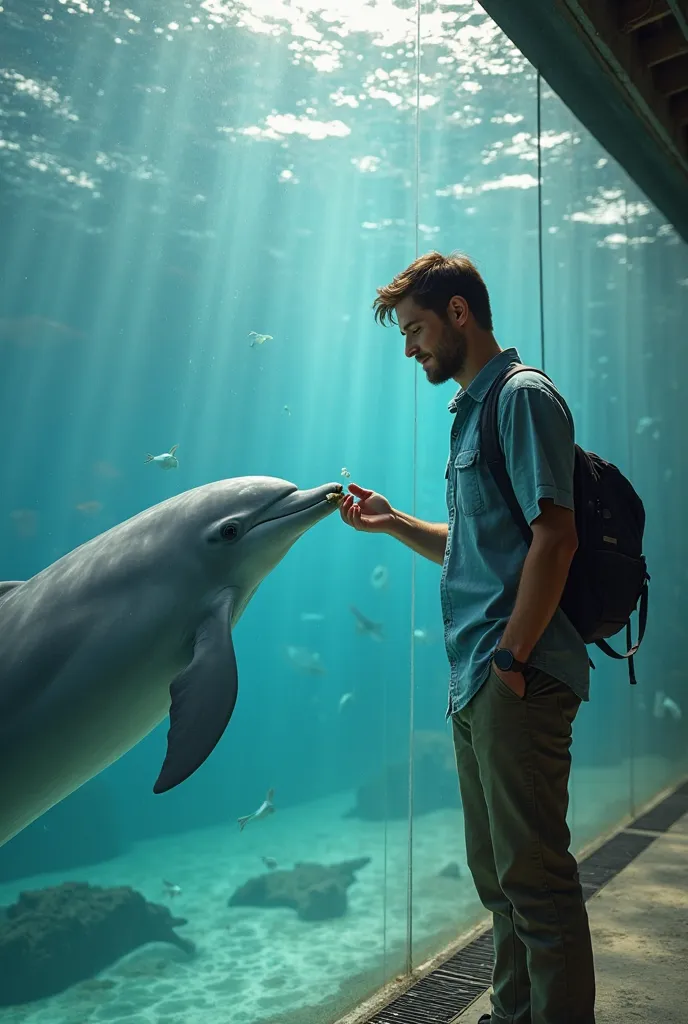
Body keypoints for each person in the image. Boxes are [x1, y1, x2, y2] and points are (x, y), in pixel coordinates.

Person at [339, 251, 596, 1024]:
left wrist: (512, 658)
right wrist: (393, 525)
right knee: (500, 878)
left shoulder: (520, 398)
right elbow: (479, 545)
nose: (411, 349)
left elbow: (556, 539)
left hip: (514, 673)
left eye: (416, 329)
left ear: (458, 313)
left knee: (537, 881)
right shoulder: (474, 412)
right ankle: (513, 1014)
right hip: (481, 681)